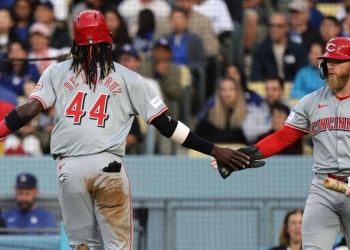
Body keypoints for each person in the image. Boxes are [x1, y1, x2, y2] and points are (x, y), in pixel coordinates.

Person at [0, 10, 262, 249]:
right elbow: (167, 126)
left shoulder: (57, 72)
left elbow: (28, 111)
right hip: (108, 167)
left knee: (82, 246)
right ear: (108, 38)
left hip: (68, 169)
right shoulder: (129, 78)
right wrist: (214, 149)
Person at [213, 36, 350, 248]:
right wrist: (243, 155)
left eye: (337, 61)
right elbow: (283, 136)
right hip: (325, 188)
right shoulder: (311, 101)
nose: (331, 66)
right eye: (328, 61)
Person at [250, 12, 308, 82]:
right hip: (268, 90)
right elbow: (256, 76)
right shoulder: (260, 50)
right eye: (272, 26)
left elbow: (303, 75)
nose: (275, 29)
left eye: (279, 26)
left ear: (287, 28)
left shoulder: (298, 49)